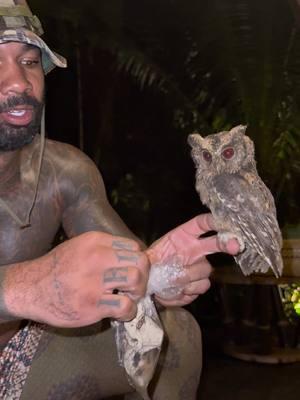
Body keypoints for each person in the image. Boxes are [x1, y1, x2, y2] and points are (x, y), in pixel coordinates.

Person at [0, 1, 239, 399]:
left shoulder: (64, 171)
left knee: (176, 333)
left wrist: (155, 273)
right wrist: (22, 287)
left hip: (17, 359)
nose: (19, 82)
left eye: (28, 61)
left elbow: (132, 271)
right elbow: (28, 288)